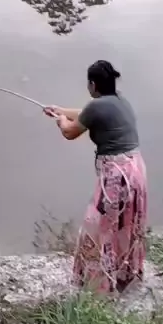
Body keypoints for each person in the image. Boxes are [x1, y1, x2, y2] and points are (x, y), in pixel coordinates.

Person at [44, 60, 147, 294]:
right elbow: (86, 114)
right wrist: (60, 110)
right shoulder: (120, 101)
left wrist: (60, 120)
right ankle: (125, 276)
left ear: (92, 84)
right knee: (126, 225)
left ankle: (98, 286)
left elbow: (70, 132)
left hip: (117, 175)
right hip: (136, 170)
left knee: (98, 227)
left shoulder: (96, 107)